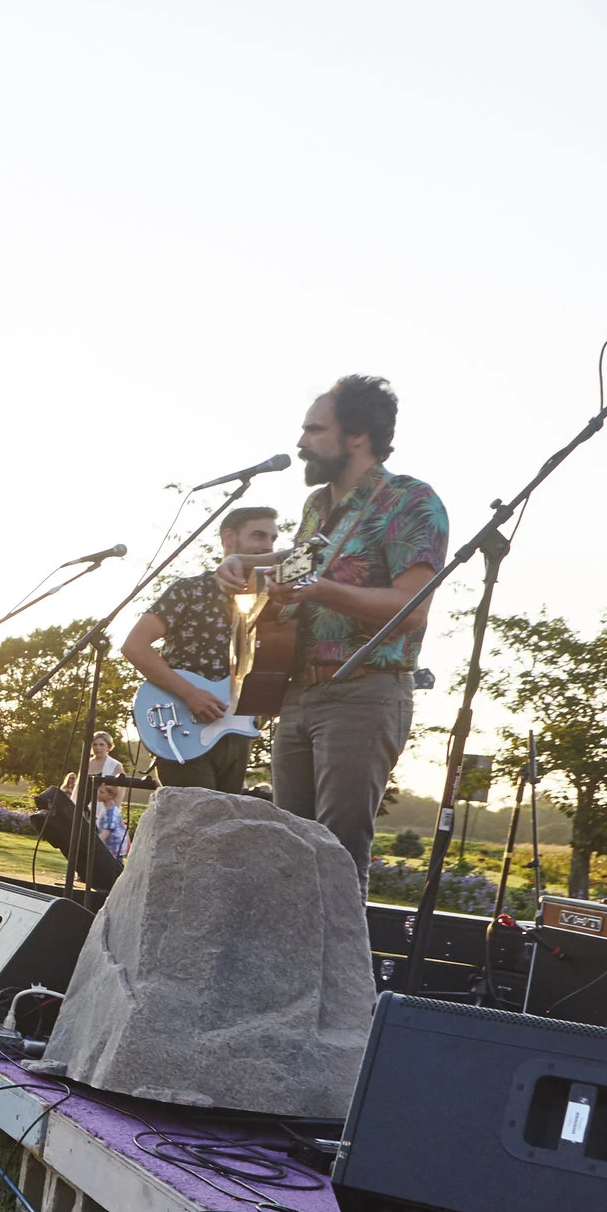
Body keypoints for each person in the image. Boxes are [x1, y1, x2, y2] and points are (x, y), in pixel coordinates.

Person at [224, 375, 446, 889]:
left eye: (314, 430)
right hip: (299, 692)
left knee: (337, 857)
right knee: (290, 850)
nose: (301, 443)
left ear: (357, 436)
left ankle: (338, 972)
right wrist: (244, 562)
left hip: (364, 691)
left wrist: (319, 590)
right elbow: (300, 561)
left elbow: (411, 609)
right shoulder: (317, 507)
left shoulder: (409, 500)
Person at [122, 506, 278, 792]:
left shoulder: (272, 601)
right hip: (182, 722)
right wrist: (190, 694)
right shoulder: (189, 590)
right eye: (258, 535)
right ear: (229, 538)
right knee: (190, 823)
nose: (267, 545)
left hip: (238, 729)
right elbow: (134, 646)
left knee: (224, 827)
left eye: (272, 538)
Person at [94, 781, 130, 860]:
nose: (98, 794)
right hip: (108, 850)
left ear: (110, 795)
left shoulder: (112, 812)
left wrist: (94, 844)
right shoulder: (105, 810)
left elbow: (107, 831)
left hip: (114, 853)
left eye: (101, 792)